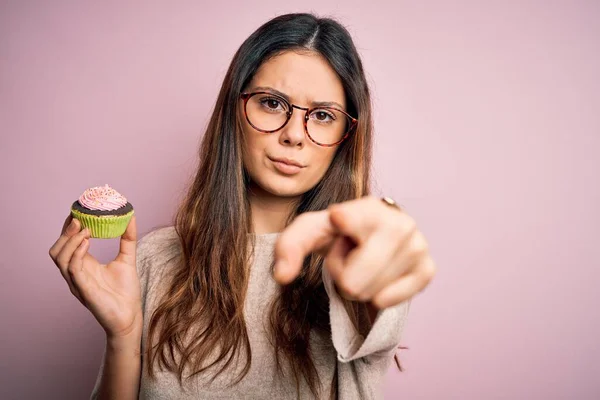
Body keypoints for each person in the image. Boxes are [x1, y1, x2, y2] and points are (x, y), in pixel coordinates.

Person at [48, 13, 436, 400]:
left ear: (346, 136)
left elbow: (383, 282)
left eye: (322, 116)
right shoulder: (151, 258)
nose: (293, 135)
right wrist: (123, 336)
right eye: (271, 103)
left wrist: (389, 249)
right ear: (235, 110)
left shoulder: (348, 265)